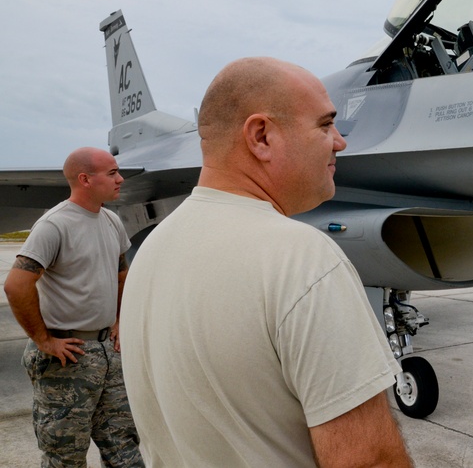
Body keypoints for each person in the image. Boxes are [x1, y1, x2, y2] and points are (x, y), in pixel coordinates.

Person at [118, 57, 412, 467]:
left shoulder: (150, 250)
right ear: (261, 137)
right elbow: (368, 460)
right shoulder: (302, 258)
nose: (340, 142)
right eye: (325, 125)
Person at [3, 147, 143, 467]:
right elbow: (16, 284)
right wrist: (43, 340)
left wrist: (120, 320)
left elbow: (122, 274)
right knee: (65, 455)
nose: (120, 179)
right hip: (67, 355)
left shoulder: (111, 220)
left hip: (107, 351)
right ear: (85, 179)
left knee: (123, 444)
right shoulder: (55, 225)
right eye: (112, 173)